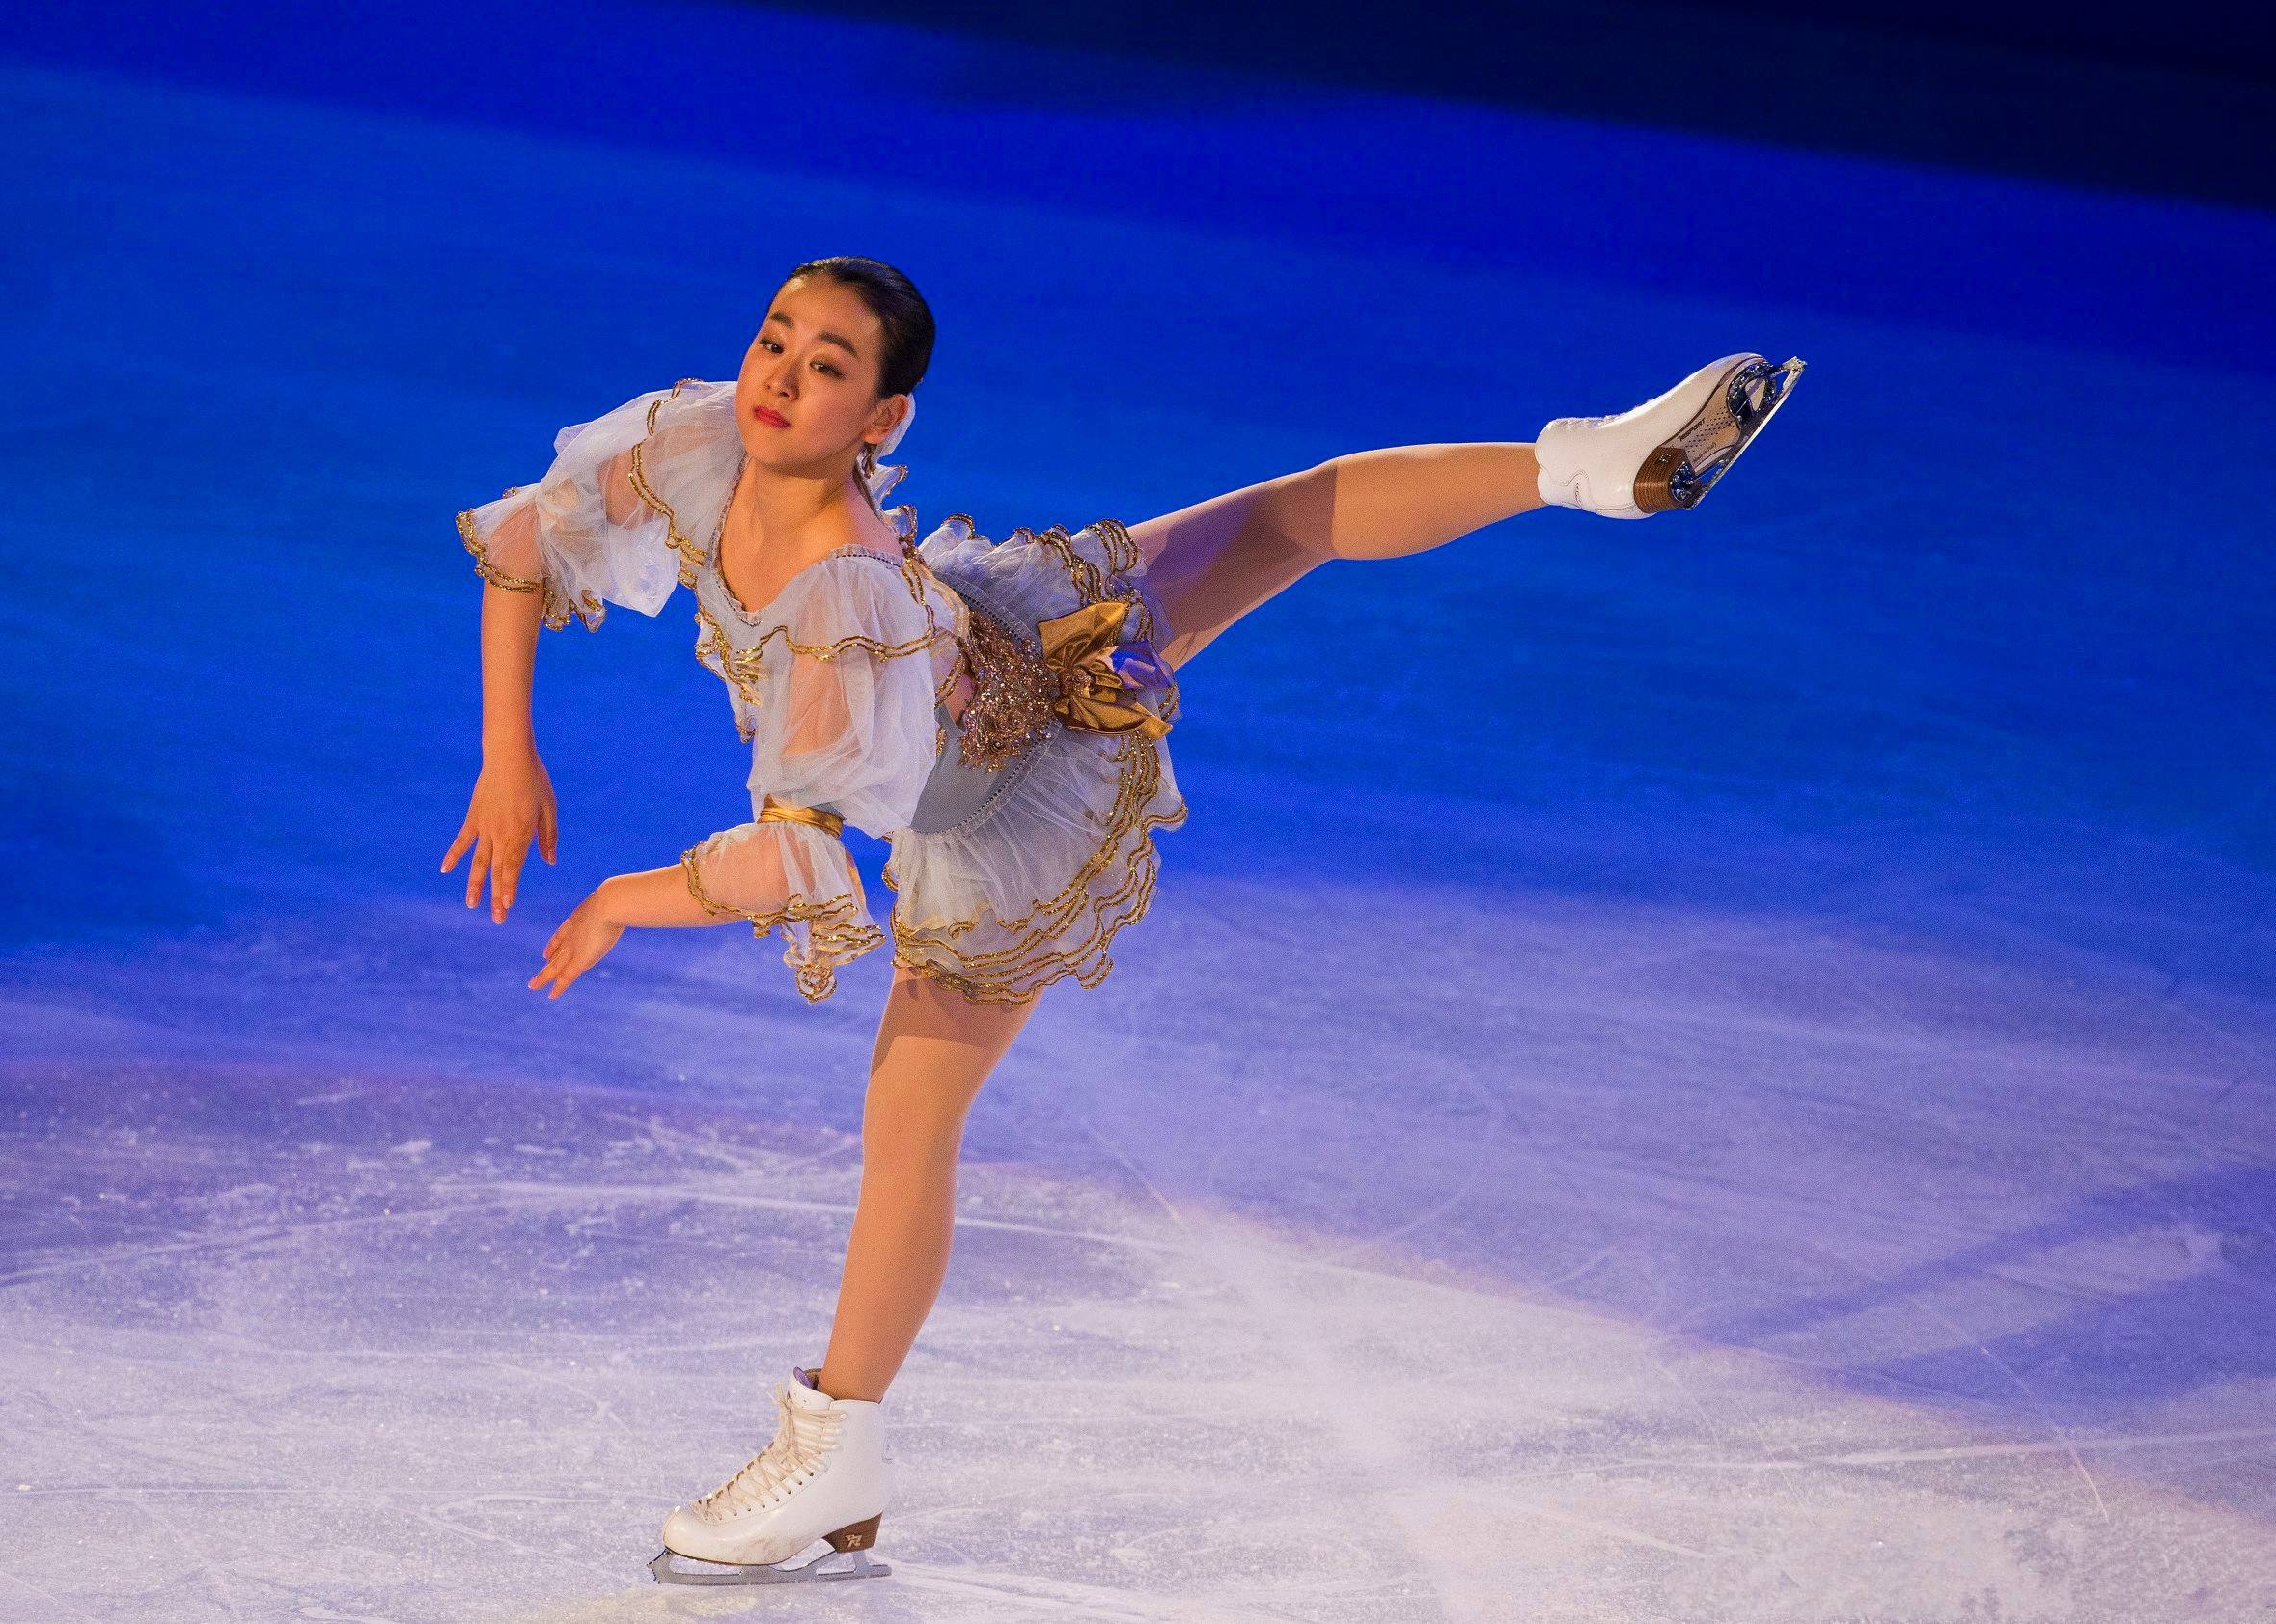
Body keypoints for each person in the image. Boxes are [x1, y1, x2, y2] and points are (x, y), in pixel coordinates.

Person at [441, 255, 1804, 1584]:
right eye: (774, 339)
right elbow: (527, 541)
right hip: (1031, 640)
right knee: (1287, 519)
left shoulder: (840, 594)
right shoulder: (699, 436)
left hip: (1006, 809)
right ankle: (1585, 470)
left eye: (829, 366)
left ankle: (834, 1450)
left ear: (884, 420)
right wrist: (511, 752)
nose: (782, 378)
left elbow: (803, 869)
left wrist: (623, 895)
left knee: (907, 1131)